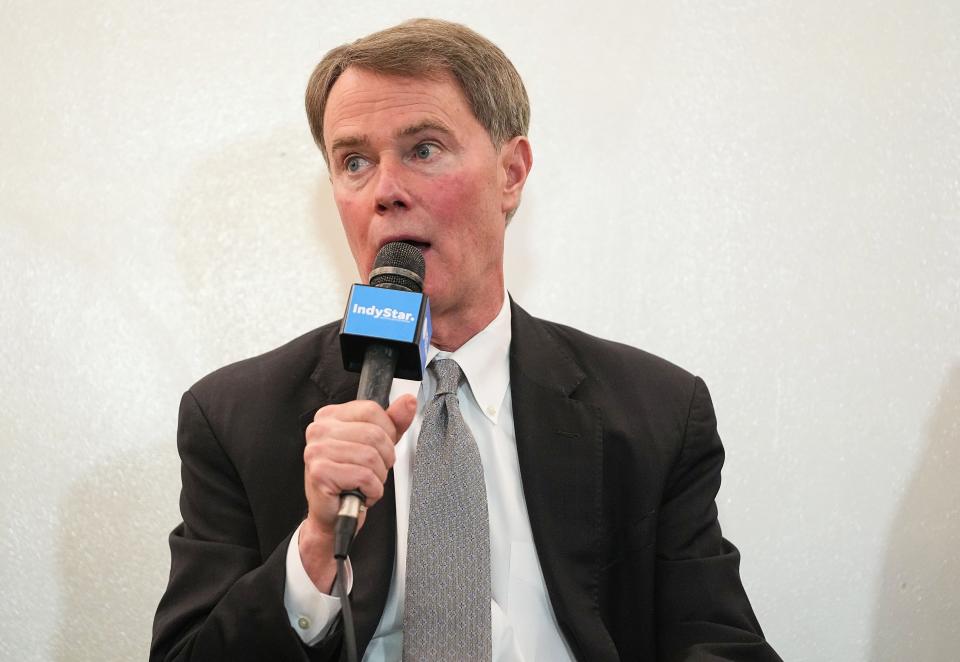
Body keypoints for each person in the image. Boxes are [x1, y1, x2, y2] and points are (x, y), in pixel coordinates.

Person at [151, 18, 781, 662]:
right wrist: (313, 548)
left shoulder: (655, 412)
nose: (386, 192)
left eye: (423, 149)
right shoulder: (236, 417)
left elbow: (718, 643)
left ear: (511, 172)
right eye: (355, 162)